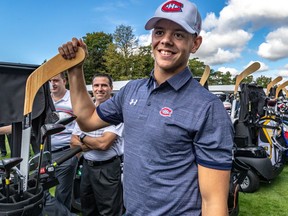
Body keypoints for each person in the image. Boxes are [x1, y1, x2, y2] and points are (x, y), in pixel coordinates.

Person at [58, 0, 234, 215]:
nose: (166, 41)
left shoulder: (208, 108)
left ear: (195, 44)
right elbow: (87, 120)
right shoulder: (132, 91)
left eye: (178, 34)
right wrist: (75, 70)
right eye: (159, 32)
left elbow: (213, 202)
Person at [71, 73, 124, 216]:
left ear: (111, 88)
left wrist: (82, 136)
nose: (99, 89)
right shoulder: (85, 111)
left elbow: (103, 144)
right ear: (92, 88)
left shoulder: (117, 111)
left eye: (104, 85)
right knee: (88, 208)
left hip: (107, 168)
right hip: (87, 166)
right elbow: (72, 142)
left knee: (109, 211)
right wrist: (89, 142)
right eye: (96, 85)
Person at [49, 72, 78, 211]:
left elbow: (81, 126)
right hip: (46, 153)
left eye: (56, 80)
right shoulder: (45, 100)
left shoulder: (74, 99)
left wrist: (75, 154)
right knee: (38, 191)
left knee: (62, 193)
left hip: (66, 152)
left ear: (64, 81)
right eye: (49, 81)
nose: (52, 84)